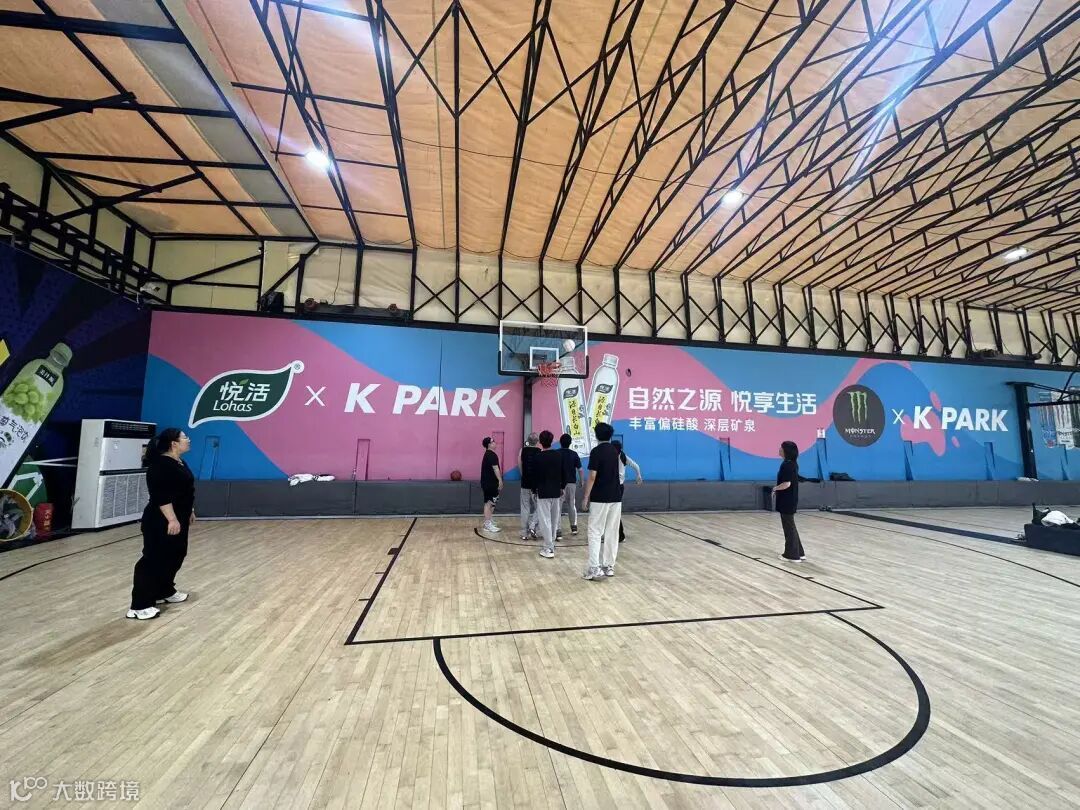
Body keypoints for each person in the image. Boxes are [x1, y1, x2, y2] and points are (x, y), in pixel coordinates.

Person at [128, 428, 195, 620]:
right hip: (160, 521)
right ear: (174, 443)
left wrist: (189, 510)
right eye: (184, 437)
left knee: (176, 554)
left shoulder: (179, 462)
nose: (188, 440)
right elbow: (161, 496)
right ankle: (140, 605)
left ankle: (164, 590)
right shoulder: (160, 466)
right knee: (154, 559)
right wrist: (172, 519)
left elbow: (184, 490)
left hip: (180, 518)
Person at [581, 421, 622, 580]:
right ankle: (608, 566)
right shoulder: (614, 451)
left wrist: (586, 497)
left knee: (595, 531)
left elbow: (592, 476)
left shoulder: (596, 452)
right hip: (616, 497)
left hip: (600, 497)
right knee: (612, 531)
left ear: (596, 435)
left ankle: (594, 568)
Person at [532, 431, 567, 559]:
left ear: (540, 442)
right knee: (554, 519)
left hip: (543, 492)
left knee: (545, 520)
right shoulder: (558, 455)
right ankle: (551, 543)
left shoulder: (537, 457)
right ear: (552, 441)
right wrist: (562, 487)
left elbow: (534, 476)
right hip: (556, 492)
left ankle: (548, 547)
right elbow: (564, 473)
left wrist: (533, 490)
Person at [773, 440, 805, 562]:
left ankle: (791, 555)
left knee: (788, 527)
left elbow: (786, 484)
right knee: (791, 526)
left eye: (781, 448)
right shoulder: (793, 464)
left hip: (786, 500)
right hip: (791, 499)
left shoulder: (786, 465)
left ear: (786, 451)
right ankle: (799, 552)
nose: (779, 449)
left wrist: (775, 488)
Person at [611, 439, 643, 543]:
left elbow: (636, 466)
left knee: (614, 511)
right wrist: (638, 475)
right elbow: (636, 466)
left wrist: (639, 476)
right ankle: (614, 534)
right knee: (611, 511)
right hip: (615, 486)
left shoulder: (622, 457)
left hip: (617, 487)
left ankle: (620, 535)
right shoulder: (620, 456)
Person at [558, 433, 582, 537]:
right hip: (572, 483)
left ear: (560, 442)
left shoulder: (557, 453)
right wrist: (582, 481)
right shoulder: (574, 454)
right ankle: (574, 527)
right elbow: (580, 469)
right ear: (570, 443)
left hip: (559, 484)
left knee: (558, 507)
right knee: (572, 504)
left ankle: (558, 530)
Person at [518, 433, 541, 540]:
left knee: (525, 507)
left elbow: (519, 464)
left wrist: (523, 475)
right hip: (536, 485)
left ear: (528, 440)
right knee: (540, 507)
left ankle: (524, 533)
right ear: (537, 442)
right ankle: (534, 526)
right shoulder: (540, 452)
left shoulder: (522, 450)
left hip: (525, 483)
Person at [480, 436, 503, 533]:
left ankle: (488, 520)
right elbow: (495, 468)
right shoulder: (491, 455)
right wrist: (500, 480)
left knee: (492, 503)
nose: (495, 443)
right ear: (489, 444)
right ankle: (487, 524)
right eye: (493, 441)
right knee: (489, 503)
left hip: (490, 483)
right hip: (489, 483)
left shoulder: (490, 454)